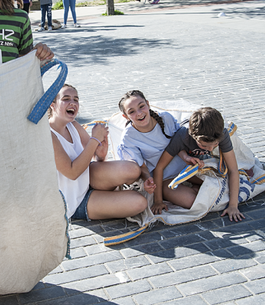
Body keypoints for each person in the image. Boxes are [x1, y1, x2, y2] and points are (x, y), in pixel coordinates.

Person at [49, 85, 146, 221]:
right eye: (66, 99)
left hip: (88, 178)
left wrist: (101, 155)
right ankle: (102, 198)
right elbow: (72, 173)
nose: (73, 103)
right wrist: (94, 140)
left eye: (76, 99)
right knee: (139, 203)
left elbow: (94, 155)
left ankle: (108, 192)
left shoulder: (73, 125)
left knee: (133, 169)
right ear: (52, 105)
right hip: (73, 199)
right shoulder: (48, 135)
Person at [151, 107, 244, 222]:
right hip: (182, 171)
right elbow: (159, 167)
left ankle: (197, 187)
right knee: (193, 201)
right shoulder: (182, 136)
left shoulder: (222, 134)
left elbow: (233, 169)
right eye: (204, 146)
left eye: (215, 145)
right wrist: (158, 201)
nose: (210, 149)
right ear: (193, 136)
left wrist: (233, 206)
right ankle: (193, 187)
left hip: (204, 169)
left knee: (226, 186)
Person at [116, 90, 190, 197]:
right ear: (126, 116)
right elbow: (141, 166)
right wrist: (148, 179)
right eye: (132, 112)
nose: (139, 113)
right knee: (190, 200)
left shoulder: (166, 118)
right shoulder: (128, 137)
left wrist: (187, 157)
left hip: (185, 169)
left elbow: (179, 143)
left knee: (210, 186)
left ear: (148, 104)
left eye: (141, 106)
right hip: (163, 178)